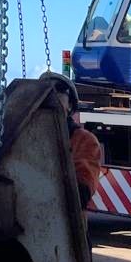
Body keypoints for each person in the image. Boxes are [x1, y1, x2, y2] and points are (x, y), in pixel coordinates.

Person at [43, 72, 102, 207]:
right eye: (46, 90)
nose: (52, 95)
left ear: (70, 104)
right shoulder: (27, 135)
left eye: (59, 90)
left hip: (65, 223)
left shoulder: (84, 140)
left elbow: (82, 191)